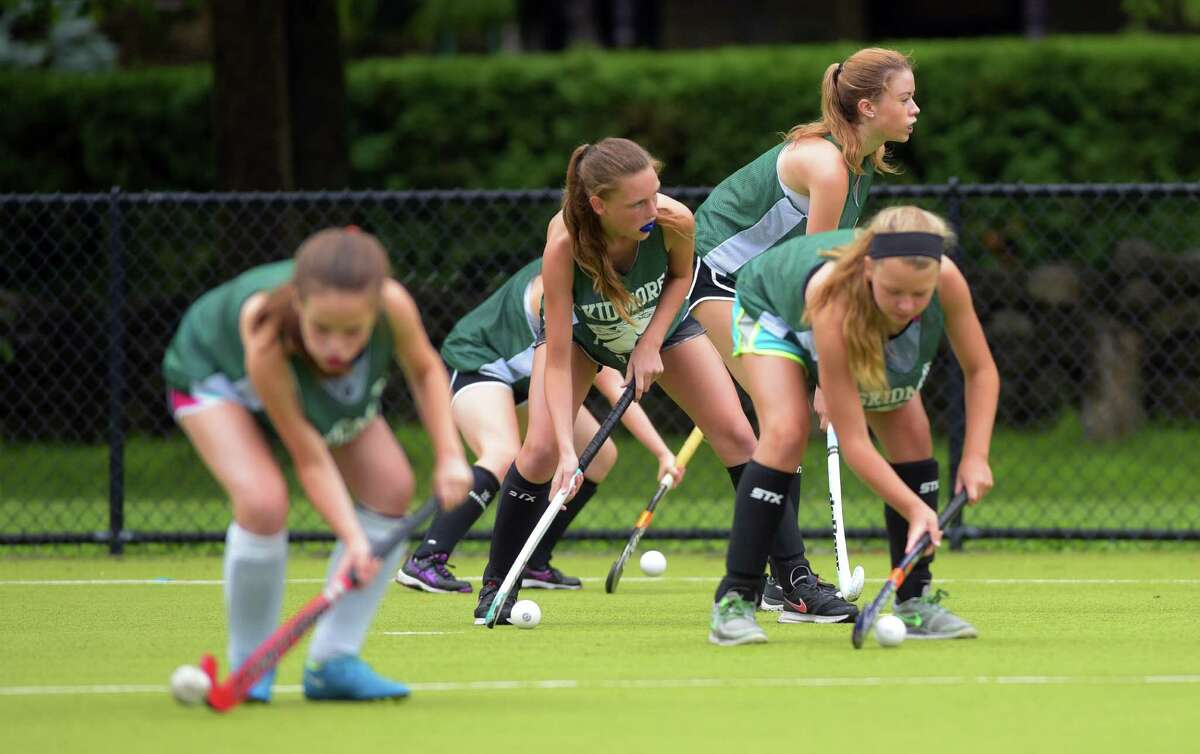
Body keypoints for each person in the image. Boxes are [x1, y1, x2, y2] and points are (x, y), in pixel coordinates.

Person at [162, 227, 473, 699]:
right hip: (215, 372)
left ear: (374, 310)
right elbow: (309, 455)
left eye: (353, 332)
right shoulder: (264, 327)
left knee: (390, 487)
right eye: (322, 329)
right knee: (262, 501)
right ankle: (252, 666)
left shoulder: (393, 303)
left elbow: (426, 370)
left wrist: (450, 456)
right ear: (300, 304)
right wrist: (353, 539)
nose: (337, 346)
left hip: (309, 378)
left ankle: (333, 663)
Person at [474, 137, 758, 625]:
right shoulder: (563, 245)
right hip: (583, 338)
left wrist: (649, 343)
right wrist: (568, 450)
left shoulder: (674, 220)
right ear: (598, 204)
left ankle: (788, 579)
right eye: (638, 203)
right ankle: (499, 583)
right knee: (539, 450)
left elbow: (679, 280)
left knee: (737, 436)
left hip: (659, 324)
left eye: (656, 193)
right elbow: (558, 356)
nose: (654, 209)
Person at [689, 47, 920, 608]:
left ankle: (779, 579)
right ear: (868, 106)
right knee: (784, 417)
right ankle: (790, 580)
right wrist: (823, 369)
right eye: (905, 98)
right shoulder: (827, 166)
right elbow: (808, 273)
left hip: (758, 292)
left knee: (774, 426)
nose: (916, 109)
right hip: (714, 281)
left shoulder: (858, 164)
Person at [706, 205, 998, 645]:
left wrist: (975, 457)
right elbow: (855, 443)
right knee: (786, 432)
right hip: (774, 310)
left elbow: (982, 371)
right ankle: (735, 601)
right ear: (868, 268)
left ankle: (913, 600)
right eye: (895, 291)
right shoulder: (836, 297)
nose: (906, 306)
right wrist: (918, 509)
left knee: (913, 436)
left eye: (919, 295)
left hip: (857, 325)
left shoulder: (947, 280)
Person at [396, 258, 684, 594]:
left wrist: (663, 454)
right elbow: (610, 382)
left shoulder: (607, 280)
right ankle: (427, 558)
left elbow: (616, 386)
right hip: (480, 363)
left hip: (529, 378)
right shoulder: (565, 284)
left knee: (600, 455)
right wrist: (660, 450)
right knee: (502, 454)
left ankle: (532, 560)